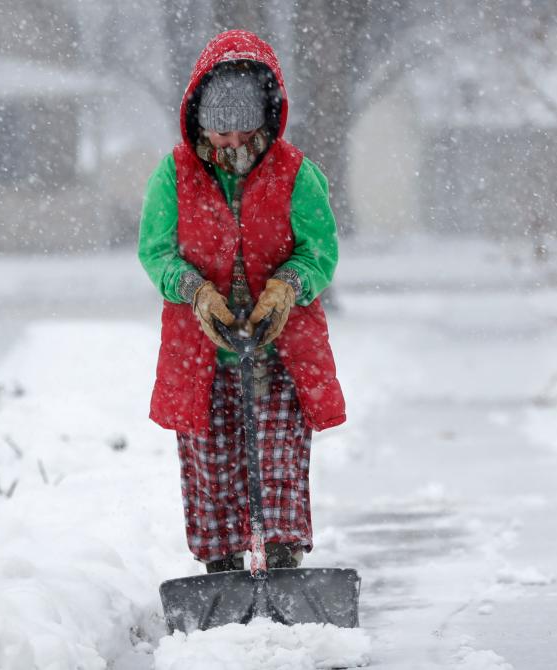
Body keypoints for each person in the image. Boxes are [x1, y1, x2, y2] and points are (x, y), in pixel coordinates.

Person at [138, 30, 345, 573]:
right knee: (212, 469)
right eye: (219, 130)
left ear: (265, 121)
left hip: (281, 354)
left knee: (277, 465)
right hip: (199, 354)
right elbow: (156, 252)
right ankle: (222, 570)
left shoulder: (297, 174)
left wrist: (287, 287)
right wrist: (195, 291)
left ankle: (281, 561)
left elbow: (319, 250)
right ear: (200, 122)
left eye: (242, 129)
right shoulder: (173, 176)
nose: (230, 142)